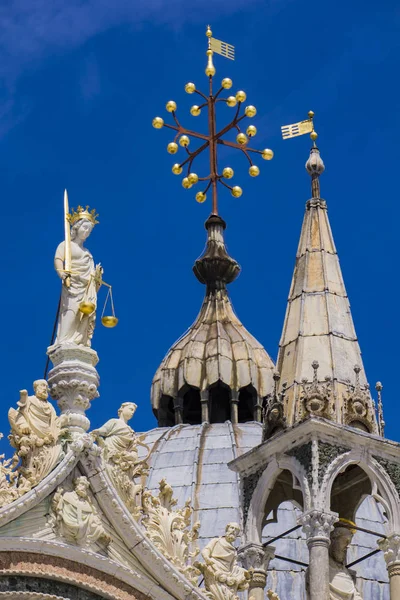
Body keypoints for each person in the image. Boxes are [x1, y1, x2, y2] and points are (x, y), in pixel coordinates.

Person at [54, 212, 102, 347]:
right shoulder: (66, 245)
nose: (86, 232)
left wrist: (97, 278)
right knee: (70, 312)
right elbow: (58, 260)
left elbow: (92, 277)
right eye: (84, 228)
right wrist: (62, 274)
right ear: (76, 227)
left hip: (86, 289)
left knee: (84, 317)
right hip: (72, 286)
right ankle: (63, 342)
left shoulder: (88, 254)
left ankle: (79, 340)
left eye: (89, 230)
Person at [8, 380, 62, 488]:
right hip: (33, 440)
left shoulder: (50, 406)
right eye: (42, 386)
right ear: (36, 388)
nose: (45, 388)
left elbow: (54, 421)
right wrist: (23, 426)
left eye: (46, 386)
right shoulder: (30, 401)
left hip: (48, 440)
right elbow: (19, 415)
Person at [51, 476, 110, 547]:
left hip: (82, 533)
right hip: (68, 528)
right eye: (82, 484)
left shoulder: (86, 504)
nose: (83, 488)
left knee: (92, 521)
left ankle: (100, 533)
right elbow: (57, 507)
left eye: (85, 486)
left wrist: (101, 531)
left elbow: (92, 520)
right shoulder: (67, 496)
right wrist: (57, 496)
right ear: (76, 485)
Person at [198, 522, 250, 600]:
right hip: (214, 568)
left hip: (227, 572)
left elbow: (233, 566)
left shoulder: (233, 550)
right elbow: (205, 551)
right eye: (232, 528)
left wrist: (243, 573)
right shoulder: (217, 541)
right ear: (227, 529)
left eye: (236, 530)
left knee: (243, 573)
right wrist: (207, 559)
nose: (233, 531)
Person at [329, 519, 363, 600]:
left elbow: (355, 595)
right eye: (346, 541)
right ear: (334, 539)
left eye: (349, 542)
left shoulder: (345, 573)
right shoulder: (319, 570)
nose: (348, 546)